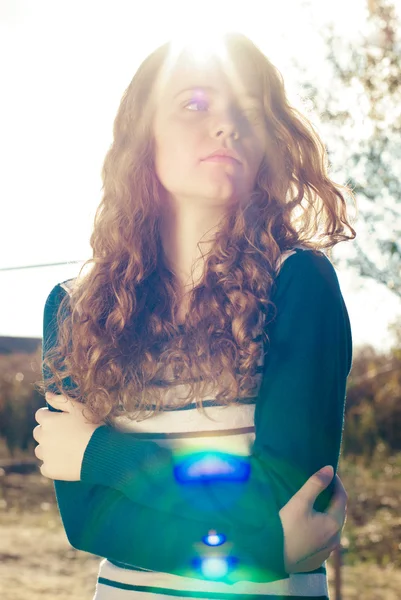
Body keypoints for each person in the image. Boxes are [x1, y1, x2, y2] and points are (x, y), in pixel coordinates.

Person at [33, 32, 355, 600]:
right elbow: (89, 524)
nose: (228, 126)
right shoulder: (73, 308)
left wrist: (100, 454)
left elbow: (284, 498)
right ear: (142, 136)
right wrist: (265, 550)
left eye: (248, 113)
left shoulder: (299, 283)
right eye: (194, 105)